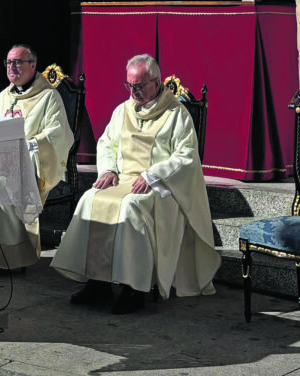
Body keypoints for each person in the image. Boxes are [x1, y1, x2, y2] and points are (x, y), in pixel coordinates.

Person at [51, 54, 220, 315]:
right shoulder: (123, 110)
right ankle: (98, 282)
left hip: (160, 185)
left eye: (139, 86)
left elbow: (186, 156)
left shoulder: (177, 114)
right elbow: (107, 142)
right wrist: (108, 169)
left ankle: (134, 288)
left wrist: (152, 175)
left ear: (156, 82)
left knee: (130, 206)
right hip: (124, 178)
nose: (134, 92)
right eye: (129, 86)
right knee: (91, 198)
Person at [0, 45, 74, 271]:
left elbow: (58, 134)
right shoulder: (3, 97)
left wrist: (30, 146)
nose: (12, 67)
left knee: (1, 184)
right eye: (8, 63)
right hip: (1, 161)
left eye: (18, 62)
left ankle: (11, 259)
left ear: (33, 66)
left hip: (30, 163)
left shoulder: (48, 97)